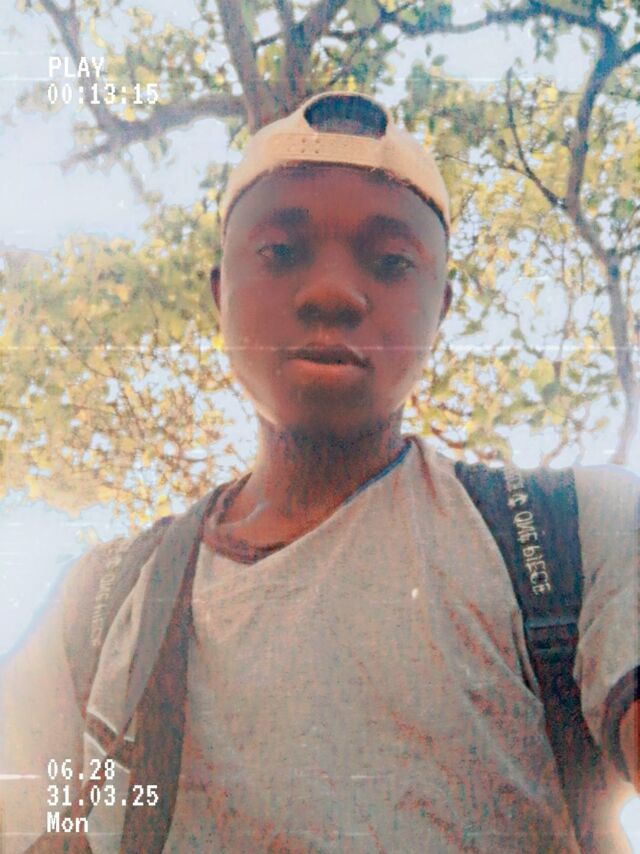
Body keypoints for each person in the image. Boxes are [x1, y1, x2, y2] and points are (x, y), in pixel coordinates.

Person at [1, 91, 638, 853]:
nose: (333, 293)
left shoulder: (574, 538)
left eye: (392, 262)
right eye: (281, 252)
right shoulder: (98, 606)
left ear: (440, 308)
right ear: (220, 293)